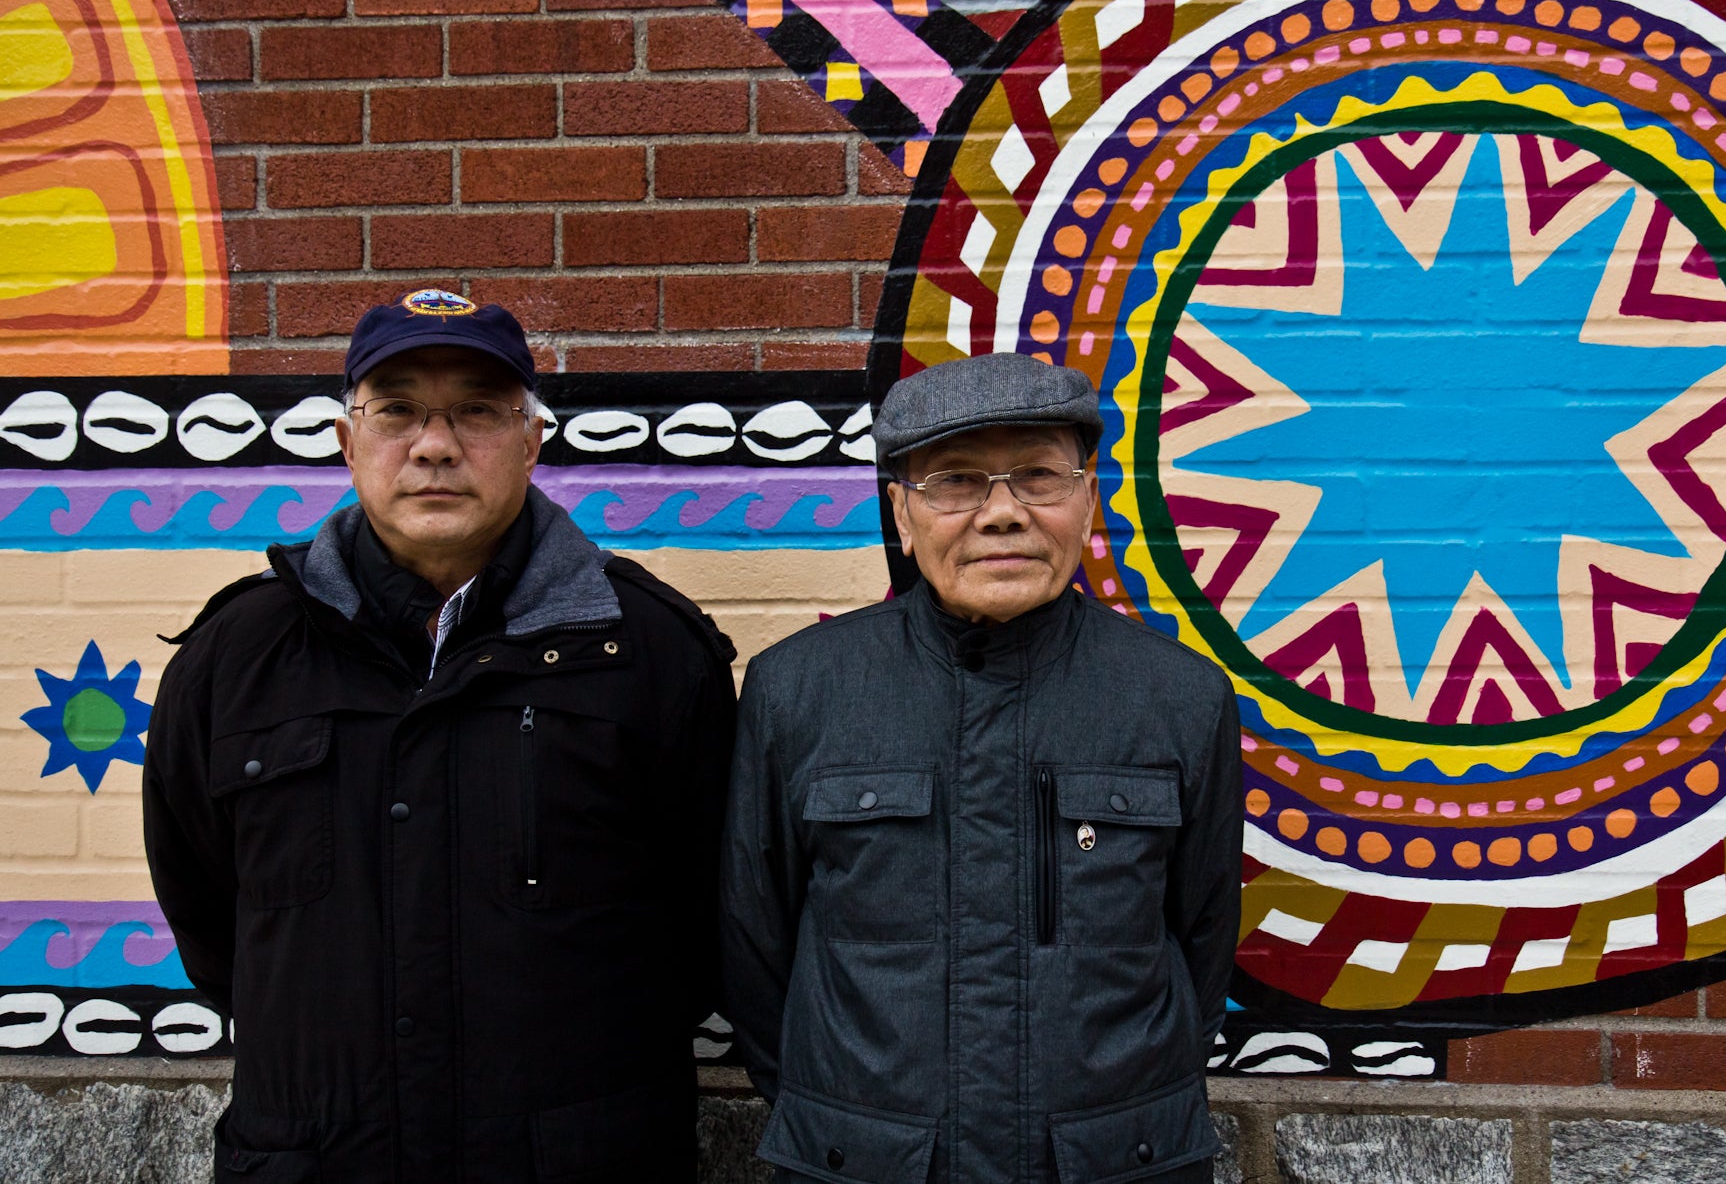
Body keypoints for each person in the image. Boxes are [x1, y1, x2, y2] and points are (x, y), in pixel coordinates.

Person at [143, 289, 735, 1182]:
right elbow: (207, 908)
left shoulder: (647, 650)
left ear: (533, 439)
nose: (434, 444)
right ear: (348, 443)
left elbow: (705, 922)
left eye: (477, 410)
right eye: (398, 411)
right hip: (319, 1159)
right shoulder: (239, 654)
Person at [720, 352, 1242, 1182]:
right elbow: (755, 949)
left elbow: (1203, 939)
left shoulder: (1179, 697)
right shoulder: (799, 691)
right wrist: (841, 1107)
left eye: (1039, 475)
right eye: (956, 481)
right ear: (900, 513)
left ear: (1089, 496)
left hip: (1114, 1161)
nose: (1002, 514)